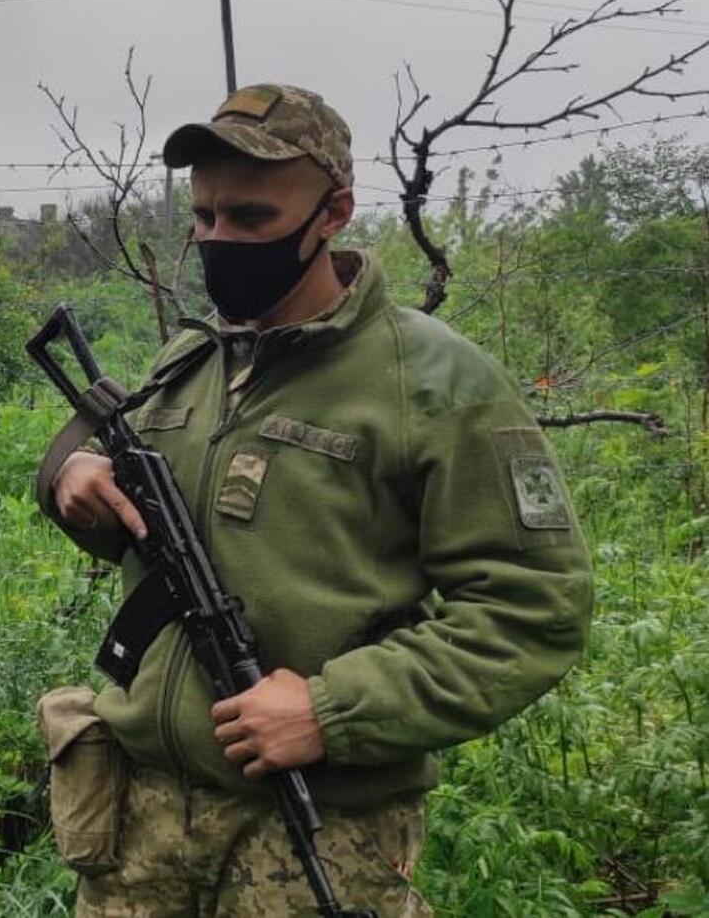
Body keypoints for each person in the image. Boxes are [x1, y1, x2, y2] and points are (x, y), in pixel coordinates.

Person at [33, 83, 593, 917]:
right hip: (137, 815)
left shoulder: (436, 381)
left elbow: (533, 608)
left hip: (316, 828)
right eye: (206, 217)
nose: (221, 240)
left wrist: (332, 710)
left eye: (252, 219)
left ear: (332, 213)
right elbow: (114, 485)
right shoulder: (194, 356)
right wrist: (71, 479)